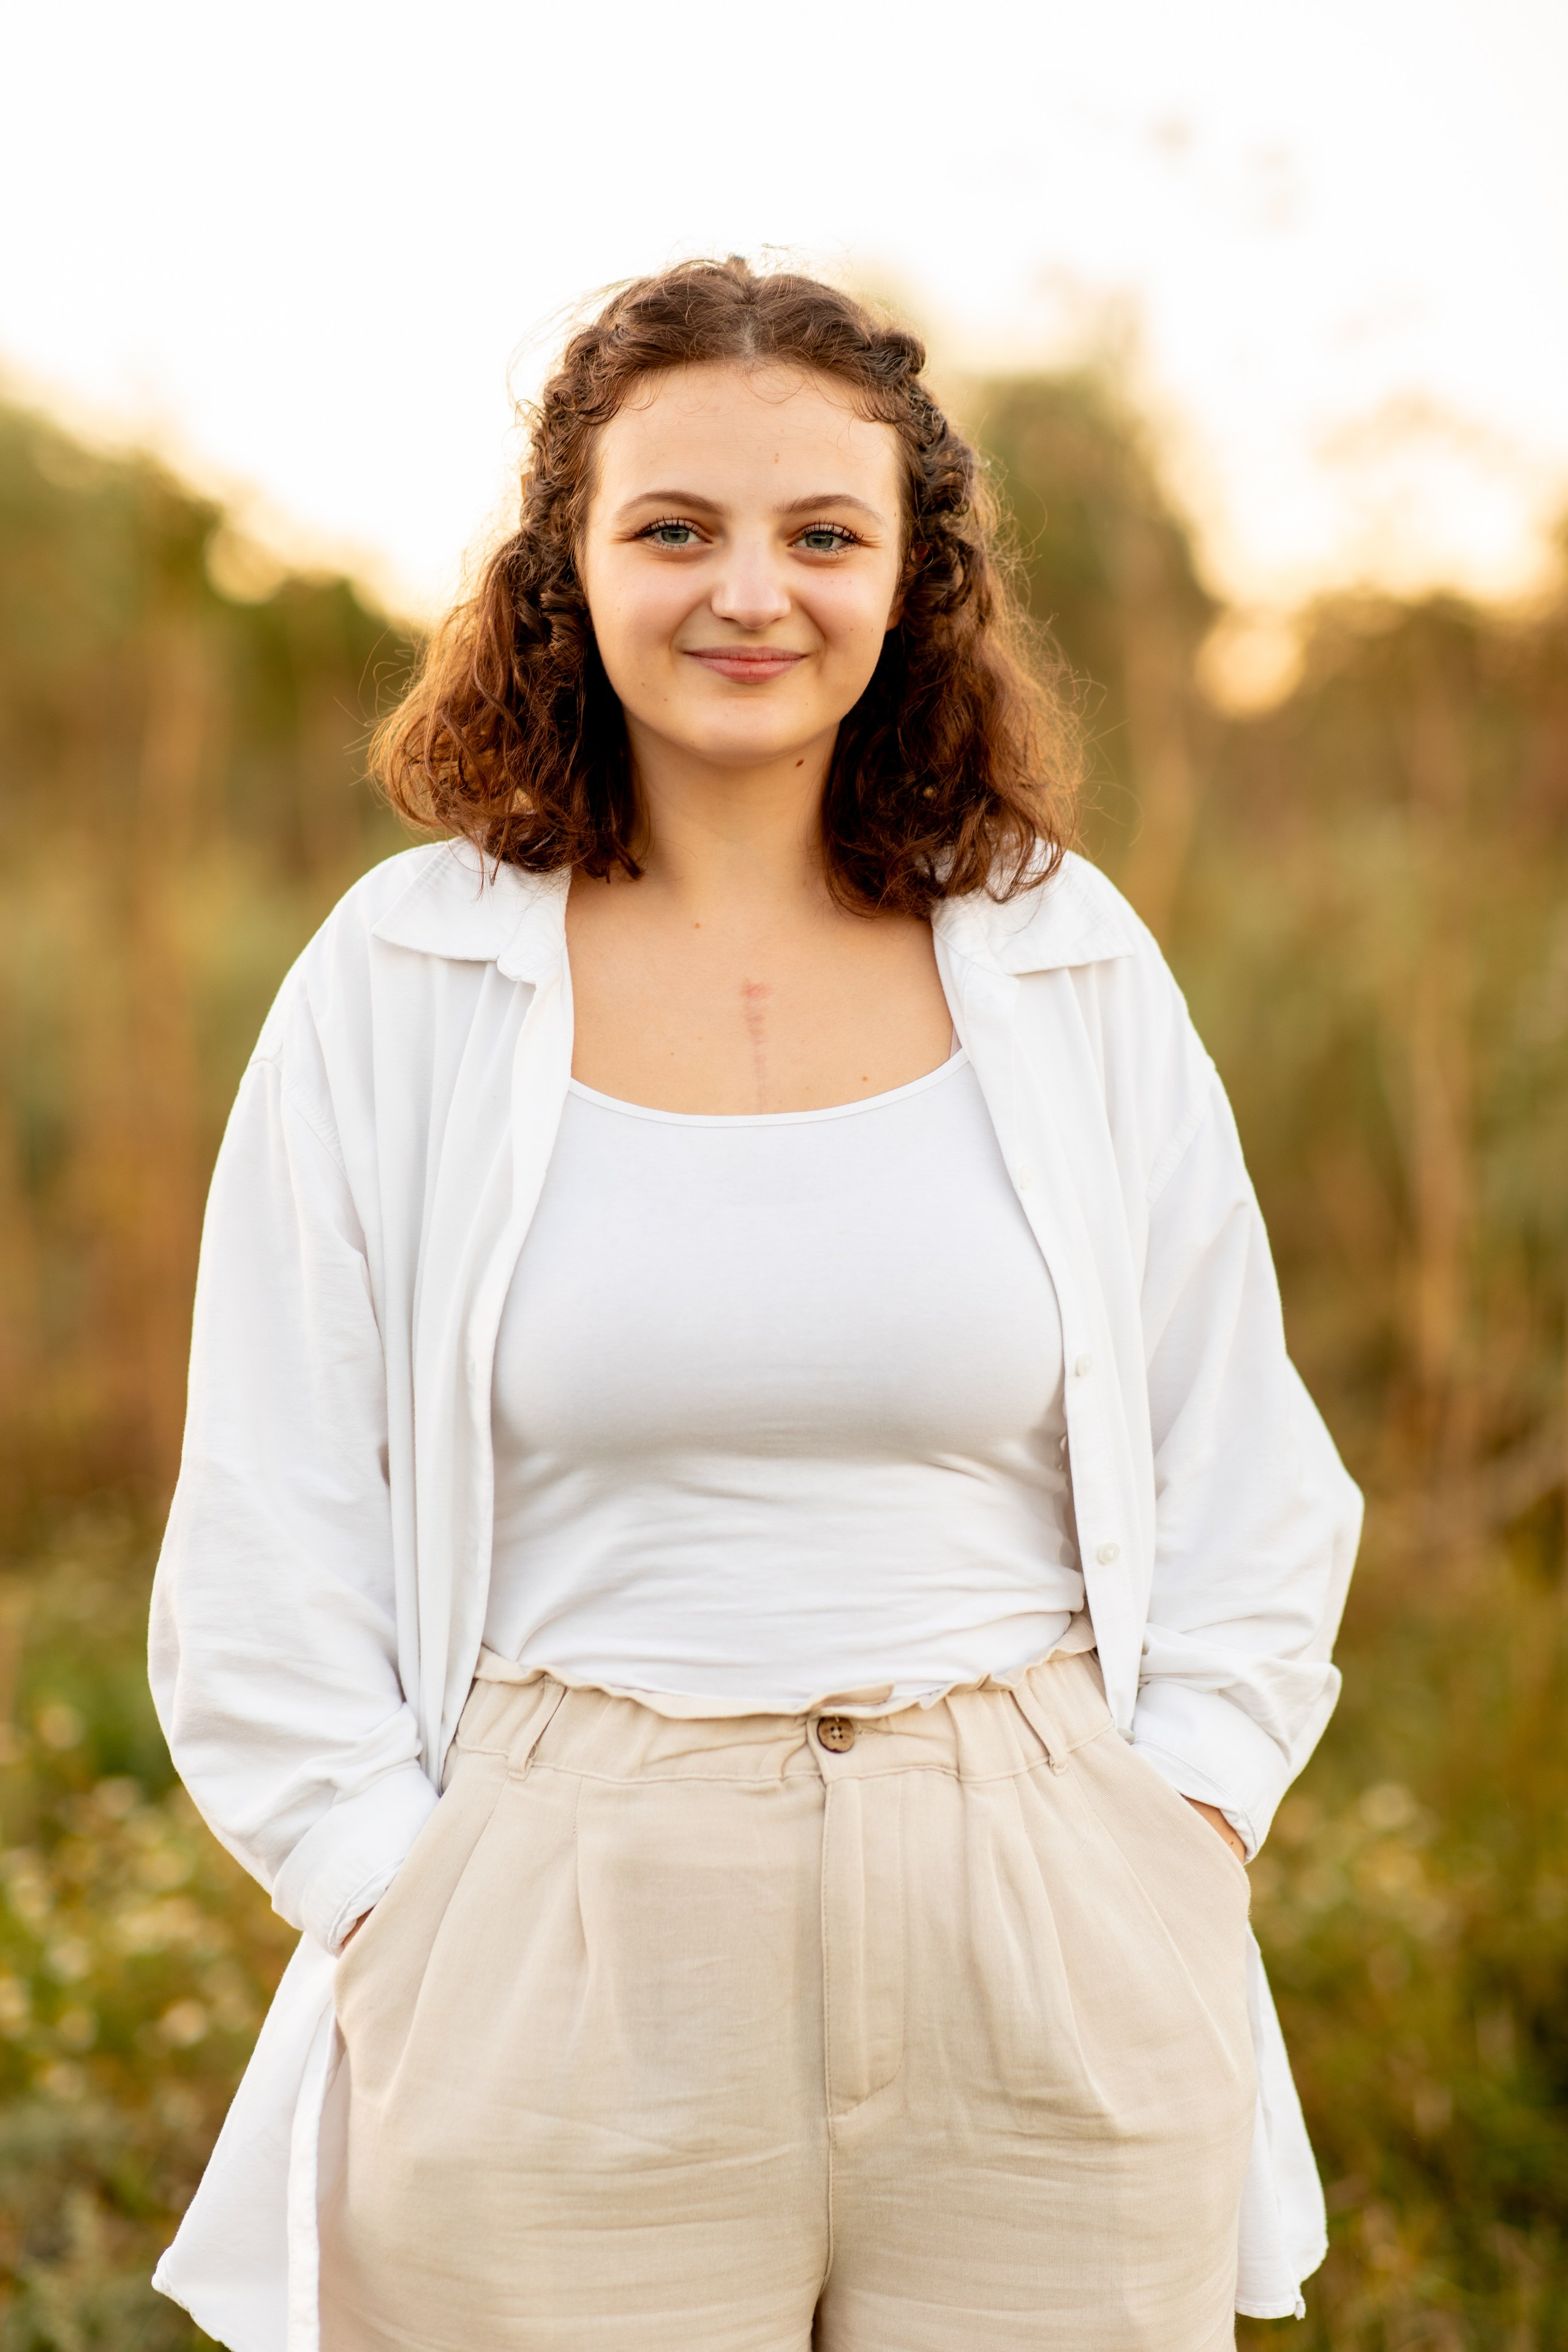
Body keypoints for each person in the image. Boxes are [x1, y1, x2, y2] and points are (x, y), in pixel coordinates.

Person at [149, 257, 1361, 2352]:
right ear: (569, 568)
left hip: (1043, 1917)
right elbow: (265, 1507)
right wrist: (396, 1896)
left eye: (824, 536)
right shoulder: (403, 976)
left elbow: (1241, 1449)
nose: (752, 593)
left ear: (911, 582)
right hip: (556, 1931)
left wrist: (1178, 1834)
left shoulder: (1063, 959)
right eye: (674, 529)